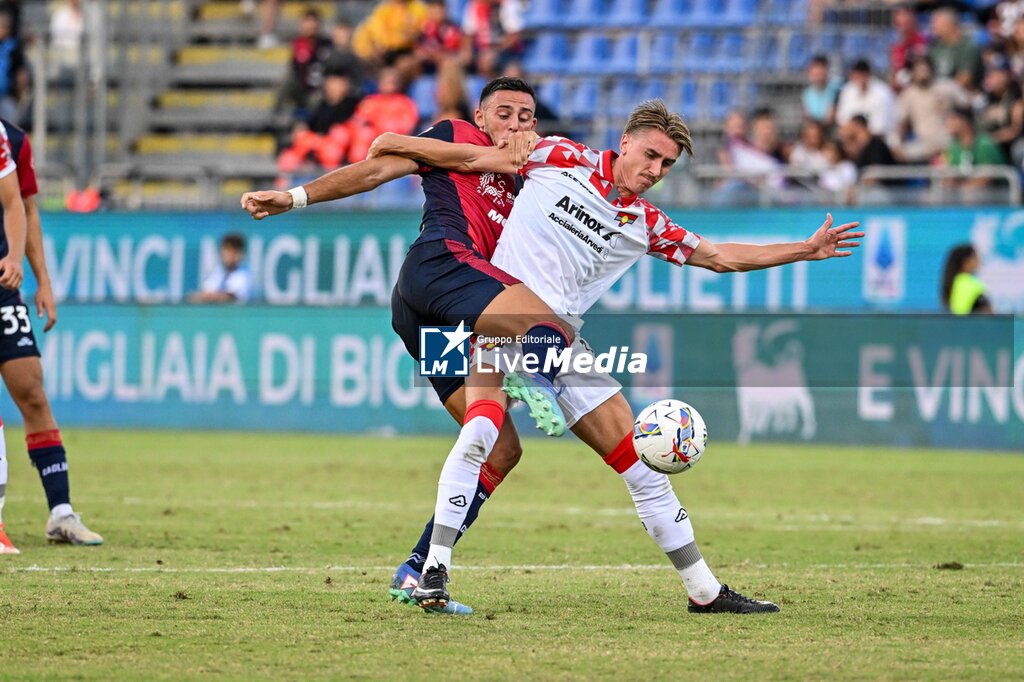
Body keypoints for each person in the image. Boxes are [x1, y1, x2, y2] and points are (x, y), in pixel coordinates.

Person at [369, 99, 862, 614]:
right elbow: (471, 162)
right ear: (624, 141)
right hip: (497, 315)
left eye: (666, 165)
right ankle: (432, 570)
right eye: (650, 155)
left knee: (642, 462)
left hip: (561, 342)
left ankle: (705, 592)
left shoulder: (645, 222)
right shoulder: (560, 155)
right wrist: (397, 142)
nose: (654, 171)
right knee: (482, 435)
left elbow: (720, 257)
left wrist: (802, 250)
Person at [242, 78, 583, 612]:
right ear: (480, 116)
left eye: (526, 115)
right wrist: (295, 196)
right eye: (505, 113)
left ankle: (418, 568)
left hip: (428, 317)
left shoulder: (533, 172)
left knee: (498, 447)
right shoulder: (455, 136)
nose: (517, 123)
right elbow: (379, 166)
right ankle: (532, 373)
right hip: (441, 267)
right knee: (553, 326)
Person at [0, 118, 103, 553]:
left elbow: (24, 206)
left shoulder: (11, 139)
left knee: (32, 391)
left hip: (2, 286)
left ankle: (61, 513)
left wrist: (41, 279)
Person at [188, 233, 254, 304]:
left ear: (239, 253)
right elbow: (207, 291)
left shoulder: (245, 273)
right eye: (225, 249)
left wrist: (207, 297)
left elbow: (231, 297)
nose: (226, 254)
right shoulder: (220, 270)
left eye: (230, 250)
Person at [941, 243, 992, 313]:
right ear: (965, 262)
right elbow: (987, 311)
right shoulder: (968, 283)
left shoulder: (956, 282)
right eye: (975, 256)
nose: (979, 259)